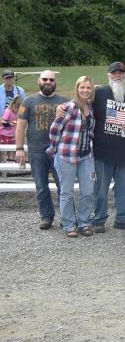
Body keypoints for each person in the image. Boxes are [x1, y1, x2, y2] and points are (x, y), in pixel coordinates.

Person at [91, 62, 125, 232]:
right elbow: (80, 106)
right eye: (114, 73)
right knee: (100, 189)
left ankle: (123, 218)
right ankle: (99, 219)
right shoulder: (98, 94)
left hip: (124, 153)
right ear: (108, 75)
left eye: (121, 73)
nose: (118, 76)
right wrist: (63, 108)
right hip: (102, 152)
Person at [15, 70, 68, 229]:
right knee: (41, 186)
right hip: (36, 151)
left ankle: (66, 217)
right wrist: (19, 148)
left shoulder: (64, 101)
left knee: (63, 186)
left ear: (55, 82)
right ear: (39, 81)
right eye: (45, 79)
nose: (48, 82)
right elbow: (20, 126)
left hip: (59, 151)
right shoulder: (28, 102)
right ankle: (46, 217)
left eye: (51, 79)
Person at [47, 76, 97, 238]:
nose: (85, 90)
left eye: (88, 88)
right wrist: (54, 149)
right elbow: (55, 130)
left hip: (86, 156)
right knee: (66, 192)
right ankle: (69, 225)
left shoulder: (90, 108)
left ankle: (84, 222)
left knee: (88, 191)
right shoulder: (68, 107)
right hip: (66, 156)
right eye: (82, 87)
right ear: (77, 88)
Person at [1, 95, 21, 159]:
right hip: (4, 135)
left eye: (19, 107)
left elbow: (23, 112)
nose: (17, 109)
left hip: (12, 135)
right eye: (16, 106)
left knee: (12, 152)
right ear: (13, 104)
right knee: (3, 153)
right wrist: (11, 123)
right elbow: (2, 123)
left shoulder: (19, 111)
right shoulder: (8, 111)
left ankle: (10, 164)